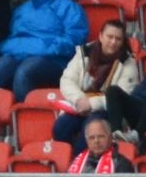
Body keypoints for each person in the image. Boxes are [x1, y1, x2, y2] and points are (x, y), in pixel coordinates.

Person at [53, 18, 138, 152]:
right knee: (61, 126)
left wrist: (91, 104)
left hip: (108, 110)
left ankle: (81, 162)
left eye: (118, 39)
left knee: (91, 128)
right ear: (100, 36)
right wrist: (80, 99)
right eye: (110, 37)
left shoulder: (128, 63)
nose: (113, 42)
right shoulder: (84, 53)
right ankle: (65, 160)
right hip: (80, 105)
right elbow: (67, 80)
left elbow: (123, 96)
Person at [0, 0, 86, 102]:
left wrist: (40, 48)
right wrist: (26, 48)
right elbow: (14, 37)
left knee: (25, 72)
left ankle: (26, 111)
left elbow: (74, 41)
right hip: (20, 55)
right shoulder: (22, 9)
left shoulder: (69, 7)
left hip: (56, 60)